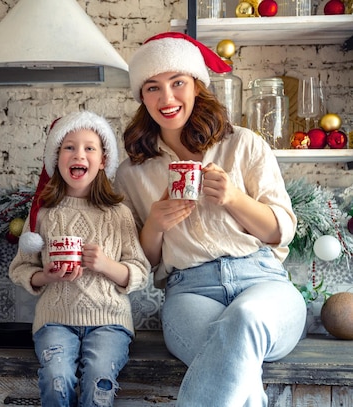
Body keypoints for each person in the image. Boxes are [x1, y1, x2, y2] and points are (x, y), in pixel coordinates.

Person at [113, 32, 307, 407]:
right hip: (189, 292)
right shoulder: (132, 172)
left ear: (197, 86)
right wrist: (155, 223)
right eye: (152, 88)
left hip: (263, 281)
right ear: (141, 97)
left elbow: (278, 232)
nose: (166, 99)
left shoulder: (245, 144)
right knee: (236, 361)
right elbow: (142, 263)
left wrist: (234, 198)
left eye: (177, 83)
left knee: (246, 320)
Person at [9, 110, 150, 407]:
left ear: (102, 161)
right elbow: (21, 269)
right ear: (57, 158)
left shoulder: (119, 214)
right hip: (55, 321)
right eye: (69, 147)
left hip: (110, 321)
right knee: (56, 376)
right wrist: (47, 276)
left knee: (99, 380)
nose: (79, 154)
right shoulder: (43, 213)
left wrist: (107, 266)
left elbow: (140, 271)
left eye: (89, 148)